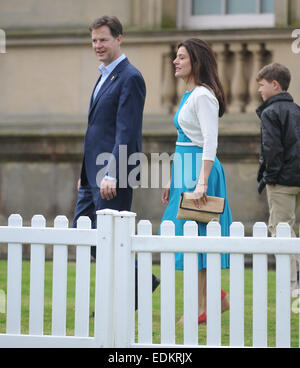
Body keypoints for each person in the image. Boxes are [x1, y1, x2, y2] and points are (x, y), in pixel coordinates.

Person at [72, 15, 159, 310]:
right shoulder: (105, 74)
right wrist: (86, 172)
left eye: (103, 40)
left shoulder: (130, 77)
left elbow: (126, 131)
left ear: (119, 39)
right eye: (94, 40)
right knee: (83, 229)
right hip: (92, 174)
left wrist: (113, 172)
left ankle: (116, 299)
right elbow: (98, 129)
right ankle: (140, 281)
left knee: (111, 239)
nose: (97, 45)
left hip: (114, 174)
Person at [160, 38, 232, 324]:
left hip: (200, 172)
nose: (175, 61)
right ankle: (214, 300)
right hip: (184, 169)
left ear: (195, 61)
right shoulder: (189, 94)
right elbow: (185, 139)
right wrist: (171, 176)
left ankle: (200, 308)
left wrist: (201, 182)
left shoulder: (203, 96)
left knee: (198, 242)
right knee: (191, 240)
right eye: (175, 57)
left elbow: (210, 142)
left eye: (181, 57)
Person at [256, 62, 300, 295]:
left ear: (275, 85)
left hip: (281, 181)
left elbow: (271, 148)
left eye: (262, 85)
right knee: (291, 228)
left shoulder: (271, 112)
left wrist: (270, 177)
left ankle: (292, 284)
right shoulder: (297, 110)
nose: (259, 91)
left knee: (280, 229)